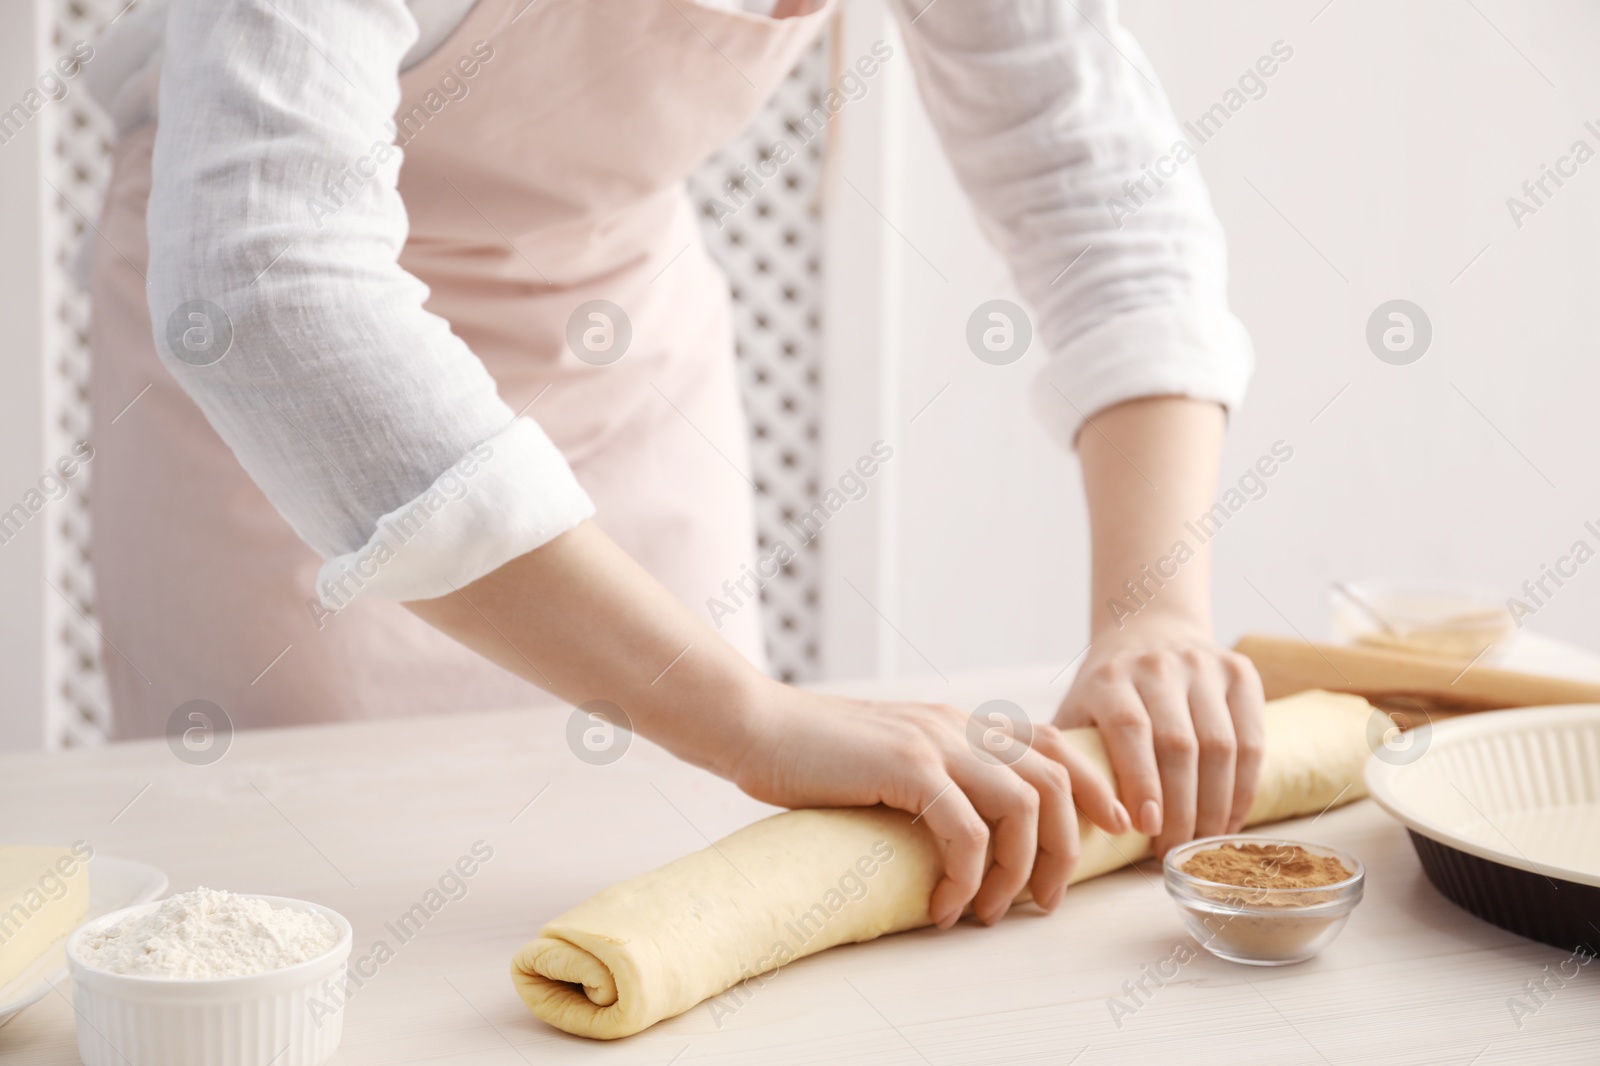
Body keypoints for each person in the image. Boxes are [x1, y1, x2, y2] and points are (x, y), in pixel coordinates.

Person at [84, 0, 1263, 928]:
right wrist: (745, 717)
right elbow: (262, 287)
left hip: (617, 344)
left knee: (686, 875)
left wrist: (1153, 610)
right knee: (320, 909)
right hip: (282, 409)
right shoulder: (273, 324)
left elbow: (1100, 196)